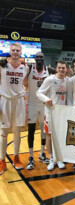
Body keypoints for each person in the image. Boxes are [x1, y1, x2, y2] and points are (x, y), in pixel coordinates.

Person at [36, 61, 72, 171]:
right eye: (59, 68)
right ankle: (51, 159)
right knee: (49, 135)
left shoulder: (67, 81)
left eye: (63, 68)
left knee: (60, 136)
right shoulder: (50, 79)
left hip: (62, 113)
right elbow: (39, 93)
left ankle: (59, 158)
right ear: (56, 68)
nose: (61, 70)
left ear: (66, 69)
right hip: (50, 112)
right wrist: (46, 99)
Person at [0, 43, 28, 175]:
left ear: (21, 52)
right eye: (13, 50)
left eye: (18, 50)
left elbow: (27, 84)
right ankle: (2, 160)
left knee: (18, 130)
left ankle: (16, 157)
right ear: (9, 52)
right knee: (3, 131)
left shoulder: (25, 67)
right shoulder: (2, 65)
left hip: (19, 101)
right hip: (5, 100)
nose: (15, 52)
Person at [23, 52, 51, 170]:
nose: (39, 59)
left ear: (44, 59)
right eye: (37, 57)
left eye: (41, 57)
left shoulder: (49, 70)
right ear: (35, 59)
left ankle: (42, 153)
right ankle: (30, 156)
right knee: (31, 130)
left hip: (44, 104)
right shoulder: (29, 69)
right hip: (32, 104)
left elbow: (65, 73)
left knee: (43, 130)